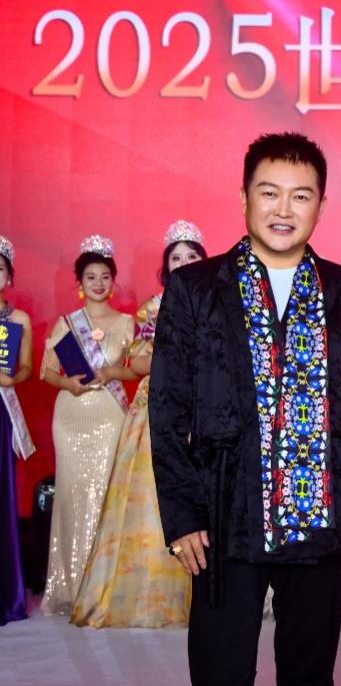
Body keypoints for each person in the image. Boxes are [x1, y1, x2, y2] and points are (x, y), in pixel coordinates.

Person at [149, 133, 341, 685]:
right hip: (224, 519)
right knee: (220, 671)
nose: (283, 209)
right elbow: (167, 408)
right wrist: (183, 517)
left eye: (301, 196)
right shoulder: (195, 288)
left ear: (321, 205)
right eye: (269, 193)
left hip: (318, 521)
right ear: (244, 196)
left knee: (309, 673)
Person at [72, 221, 206, 627]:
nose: (184, 262)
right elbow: (138, 362)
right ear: (166, 266)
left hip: (206, 405)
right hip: (159, 406)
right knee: (152, 497)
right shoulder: (152, 308)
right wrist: (181, 355)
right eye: (176, 257)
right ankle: (148, 592)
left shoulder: (218, 300)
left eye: (192, 256)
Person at [40, 235, 137, 616]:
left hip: (110, 414)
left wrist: (112, 372)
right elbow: (47, 371)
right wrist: (67, 384)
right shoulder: (66, 324)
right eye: (90, 277)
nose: (98, 283)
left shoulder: (127, 323)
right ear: (80, 283)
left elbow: (137, 368)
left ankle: (105, 587)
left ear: (113, 281)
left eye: (105, 276)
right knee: (71, 495)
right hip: (70, 416)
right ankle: (70, 586)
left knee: (106, 495)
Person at [0, 236, 35, 626]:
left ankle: (6, 593)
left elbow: (25, 368)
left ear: (9, 276)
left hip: (1, 410)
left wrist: (12, 378)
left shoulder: (19, 320)